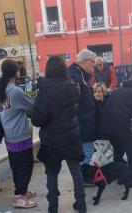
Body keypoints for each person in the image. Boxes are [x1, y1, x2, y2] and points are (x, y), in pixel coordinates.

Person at [32, 56, 86, 213]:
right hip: (71, 136)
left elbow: (37, 120)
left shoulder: (44, 91)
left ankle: (53, 206)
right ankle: (81, 204)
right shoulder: (74, 87)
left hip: (51, 139)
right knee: (76, 170)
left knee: (51, 173)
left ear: (48, 69)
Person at [0, 60, 37, 209]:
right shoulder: (15, 91)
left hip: (9, 135)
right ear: (16, 72)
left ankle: (21, 191)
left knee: (16, 165)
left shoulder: (1, 88)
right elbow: (32, 106)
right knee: (26, 165)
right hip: (20, 135)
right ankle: (19, 196)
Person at [101, 80, 132, 187]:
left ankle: (120, 176)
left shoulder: (117, 91)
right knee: (131, 149)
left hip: (106, 126)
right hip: (120, 125)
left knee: (119, 150)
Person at [67, 49, 97, 175]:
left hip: (84, 118)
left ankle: (82, 176)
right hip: (82, 119)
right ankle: (83, 177)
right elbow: (75, 99)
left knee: (85, 149)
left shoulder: (80, 74)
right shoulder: (75, 75)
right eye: (93, 62)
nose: (94, 65)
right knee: (87, 148)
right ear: (85, 61)